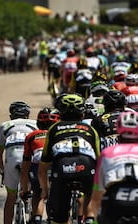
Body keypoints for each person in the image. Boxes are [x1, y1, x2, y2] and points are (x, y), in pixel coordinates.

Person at [89, 111, 138, 224]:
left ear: (119, 137)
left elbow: (96, 197)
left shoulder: (107, 152)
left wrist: (98, 219)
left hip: (114, 200)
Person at [38, 94, 100, 224]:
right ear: (82, 113)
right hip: (86, 166)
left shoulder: (53, 129)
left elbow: (43, 167)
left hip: (62, 168)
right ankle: (89, 217)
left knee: (59, 217)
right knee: (91, 197)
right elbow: (100, 160)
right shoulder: (90, 129)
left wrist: (46, 191)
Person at [0, 101, 37, 224]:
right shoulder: (35, 124)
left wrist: (3, 170)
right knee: (35, 193)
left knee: (11, 196)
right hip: (29, 158)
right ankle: (35, 218)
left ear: (11, 116)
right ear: (28, 115)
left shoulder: (5, 125)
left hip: (12, 157)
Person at [20, 107, 60, 224]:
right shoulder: (59, 133)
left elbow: (25, 166)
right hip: (57, 166)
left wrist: (25, 190)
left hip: (37, 167)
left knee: (38, 193)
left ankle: (36, 219)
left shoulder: (31, 136)